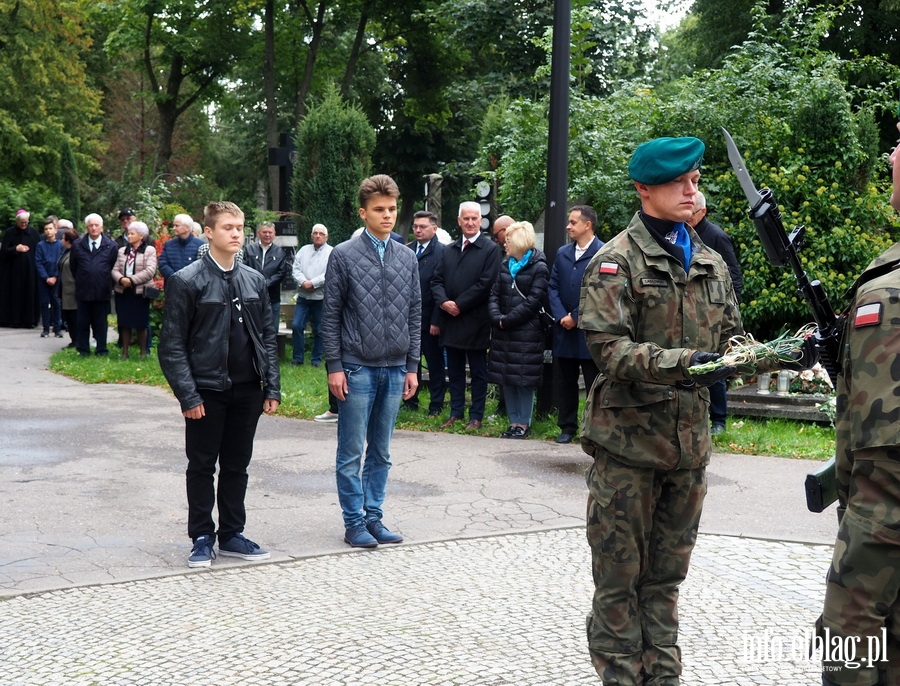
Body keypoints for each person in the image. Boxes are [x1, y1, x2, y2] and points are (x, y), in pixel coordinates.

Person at [578, 136, 744, 685]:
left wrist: (778, 352)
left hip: (687, 452)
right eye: (680, 182)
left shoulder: (711, 262)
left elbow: (734, 340)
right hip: (628, 450)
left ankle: (664, 675)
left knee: (666, 580)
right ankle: (623, 677)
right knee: (620, 581)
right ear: (644, 188)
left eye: (695, 180)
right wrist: (688, 362)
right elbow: (610, 350)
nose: (691, 190)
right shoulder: (615, 262)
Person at [818, 135, 900, 685]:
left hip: (884, 503)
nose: (891, 158)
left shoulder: (887, 293)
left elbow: (875, 446)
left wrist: (850, 502)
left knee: (849, 637)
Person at [159, 201, 280, 568]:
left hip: (247, 390)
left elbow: (267, 337)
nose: (236, 234)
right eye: (228, 227)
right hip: (206, 391)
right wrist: (188, 394)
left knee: (237, 464)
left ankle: (231, 534)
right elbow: (172, 345)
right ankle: (200, 535)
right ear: (208, 232)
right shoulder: (187, 280)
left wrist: (271, 387)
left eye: (240, 227)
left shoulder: (254, 279)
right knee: (201, 464)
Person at [322, 174, 421, 549]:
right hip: (357, 366)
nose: (387, 216)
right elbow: (330, 315)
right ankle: (353, 522)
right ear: (363, 213)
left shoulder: (407, 256)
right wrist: (334, 365)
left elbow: (415, 312)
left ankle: (374, 517)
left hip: (396, 367)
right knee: (351, 451)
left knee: (381, 450)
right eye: (379, 210)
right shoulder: (343, 255)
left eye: (392, 209)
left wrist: (412, 366)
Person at [432, 201, 502, 430]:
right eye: (466, 219)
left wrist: (458, 304)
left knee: (478, 372)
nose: (471, 223)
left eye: (475, 218)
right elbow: (437, 280)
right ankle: (456, 412)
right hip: (451, 320)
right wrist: (444, 302)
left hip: (476, 321)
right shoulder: (448, 250)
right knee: (454, 371)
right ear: (459, 221)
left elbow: (486, 284)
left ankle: (476, 416)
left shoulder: (490, 249)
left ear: (480, 221)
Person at [687, 191, 744, 435]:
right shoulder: (681, 235)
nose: (686, 218)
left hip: (715, 313)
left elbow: (734, 276)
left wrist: (729, 312)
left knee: (716, 367)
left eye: (691, 214)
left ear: (703, 212)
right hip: (691, 313)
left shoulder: (717, 237)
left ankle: (719, 420)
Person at [487, 221, 549, 438]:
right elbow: (494, 294)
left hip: (527, 333)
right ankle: (513, 422)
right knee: (507, 378)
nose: (505, 244)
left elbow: (533, 301)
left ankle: (523, 423)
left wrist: (508, 319)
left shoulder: (539, 267)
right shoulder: (505, 265)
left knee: (523, 380)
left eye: (508, 240)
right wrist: (497, 318)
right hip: (504, 332)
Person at [548, 205, 603, 444]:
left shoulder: (604, 252)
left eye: (573, 222)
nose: (568, 226)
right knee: (565, 382)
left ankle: (594, 430)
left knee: (594, 383)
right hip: (564, 330)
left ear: (587, 225)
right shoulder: (563, 253)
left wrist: (576, 316)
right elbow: (553, 286)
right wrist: (562, 315)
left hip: (589, 332)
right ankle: (567, 426)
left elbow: (600, 291)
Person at [405, 210, 446, 416]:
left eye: (422, 227)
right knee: (411, 362)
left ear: (434, 228)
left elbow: (442, 289)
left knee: (435, 363)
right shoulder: (407, 250)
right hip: (409, 320)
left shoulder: (442, 252)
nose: (418, 230)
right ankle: (410, 399)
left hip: (431, 319)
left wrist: (437, 320)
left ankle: (436, 404)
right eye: (415, 227)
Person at [69, 213, 118, 356]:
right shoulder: (78, 245)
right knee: (82, 322)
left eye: (97, 225)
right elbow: (74, 267)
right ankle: (83, 349)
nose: (94, 228)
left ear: (102, 227)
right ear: (86, 227)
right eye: (91, 225)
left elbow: (113, 266)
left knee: (101, 323)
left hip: (102, 291)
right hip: (83, 291)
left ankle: (101, 349)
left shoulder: (111, 246)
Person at [112, 221, 158, 359]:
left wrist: (131, 280)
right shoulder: (122, 251)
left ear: (141, 236)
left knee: (141, 323)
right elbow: (114, 269)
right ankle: (125, 352)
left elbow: (150, 270)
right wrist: (121, 279)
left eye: (132, 233)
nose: (129, 236)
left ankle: (143, 352)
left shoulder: (149, 250)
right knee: (124, 323)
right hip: (124, 291)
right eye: (128, 233)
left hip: (140, 292)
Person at [291, 223, 332, 366]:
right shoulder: (304, 250)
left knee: (320, 330)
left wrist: (313, 283)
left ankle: (316, 359)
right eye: (315, 233)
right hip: (303, 297)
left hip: (320, 298)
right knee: (297, 326)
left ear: (326, 237)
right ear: (311, 236)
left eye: (321, 234)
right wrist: (303, 282)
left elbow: (330, 274)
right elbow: (295, 269)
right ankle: (297, 358)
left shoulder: (331, 252)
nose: (318, 236)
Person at [244, 221, 290, 326]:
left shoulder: (280, 252)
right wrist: (255, 284)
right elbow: (244, 268)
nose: (267, 235)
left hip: (272, 298)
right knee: (252, 328)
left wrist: (265, 284)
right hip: (252, 296)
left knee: (271, 330)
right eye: (264, 232)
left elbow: (281, 272)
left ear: (274, 234)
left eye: (270, 232)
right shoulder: (249, 249)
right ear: (258, 233)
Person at [0, 209, 40, 328]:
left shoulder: (33, 232)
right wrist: (15, 249)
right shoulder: (10, 232)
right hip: (12, 271)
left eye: (26, 222)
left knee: (29, 294)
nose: (23, 225)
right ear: (17, 221)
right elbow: (3, 252)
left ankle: (30, 320)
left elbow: (38, 251)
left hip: (30, 271)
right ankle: (13, 320)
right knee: (14, 295)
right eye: (21, 223)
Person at [35, 218, 64, 338]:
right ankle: (46, 328)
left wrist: (56, 276)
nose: (48, 231)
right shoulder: (40, 245)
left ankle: (57, 328)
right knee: (44, 303)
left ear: (56, 230)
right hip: (44, 279)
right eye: (46, 229)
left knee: (57, 303)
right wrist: (46, 277)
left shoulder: (61, 245)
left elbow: (62, 261)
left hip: (56, 279)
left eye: (50, 228)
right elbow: (38, 262)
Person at [158, 213, 204, 279]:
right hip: (172, 286)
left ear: (187, 228)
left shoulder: (200, 245)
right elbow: (162, 264)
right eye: (174, 225)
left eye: (177, 226)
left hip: (193, 287)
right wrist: (175, 278)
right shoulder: (168, 245)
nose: (173, 228)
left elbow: (202, 268)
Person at [57, 228, 79, 348]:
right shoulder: (65, 252)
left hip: (72, 289)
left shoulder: (75, 253)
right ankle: (73, 340)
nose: (61, 240)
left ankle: (76, 341)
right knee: (69, 317)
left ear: (68, 240)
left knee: (74, 317)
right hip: (65, 289)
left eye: (63, 238)